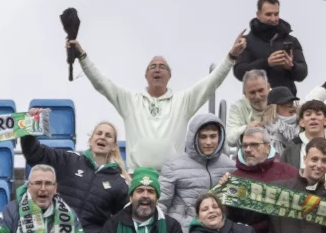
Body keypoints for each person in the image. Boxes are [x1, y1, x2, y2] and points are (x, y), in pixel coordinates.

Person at [71, 34, 245, 171]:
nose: (157, 69)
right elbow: (101, 83)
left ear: (170, 76)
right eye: (152, 66)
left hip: (171, 175)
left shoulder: (183, 101)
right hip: (137, 174)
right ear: (145, 76)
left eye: (162, 67)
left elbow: (211, 83)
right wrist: (82, 56)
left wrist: (231, 57)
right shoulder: (130, 100)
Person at [21, 122, 128, 233]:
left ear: (114, 146)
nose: (102, 137)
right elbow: (34, 154)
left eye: (108, 135)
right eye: (99, 133)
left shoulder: (118, 182)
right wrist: (29, 128)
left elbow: (127, 219)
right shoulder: (69, 161)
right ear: (90, 140)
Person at [159, 112, 236, 227]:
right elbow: (161, 204)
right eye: (203, 137)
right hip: (183, 231)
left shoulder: (230, 166)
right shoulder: (173, 165)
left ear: (220, 137)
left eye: (213, 136)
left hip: (217, 232)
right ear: (193, 138)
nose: (208, 142)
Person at [226, 123, 300, 233]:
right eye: (244, 146)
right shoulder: (233, 179)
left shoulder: (288, 172)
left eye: (254, 145)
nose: (248, 150)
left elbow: (311, 189)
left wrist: (325, 184)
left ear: (267, 148)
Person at [232, 0, 308, 96]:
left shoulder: (291, 40)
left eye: (276, 14)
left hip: (285, 102)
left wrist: (291, 66)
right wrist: (266, 63)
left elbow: (302, 74)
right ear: (258, 15)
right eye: (268, 14)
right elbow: (239, 72)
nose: (273, 18)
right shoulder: (246, 41)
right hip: (257, 101)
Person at [280, 100, 326, 195]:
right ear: (301, 122)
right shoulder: (291, 148)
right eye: (308, 114)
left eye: (318, 114)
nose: (313, 118)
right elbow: (282, 178)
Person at [225, 69, 273, 134]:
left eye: (260, 90)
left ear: (268, 87)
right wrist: (247, 128)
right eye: (252, 92)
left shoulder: (282, 100)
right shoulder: (238, 107)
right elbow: (230, 136)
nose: (257, 96)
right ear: (245, 94)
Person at [262, 87, 303, 156]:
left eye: (291, 103)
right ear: (274, 108)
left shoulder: (303, 125)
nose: (291, 106)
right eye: (284, 103)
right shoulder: (263, 131)